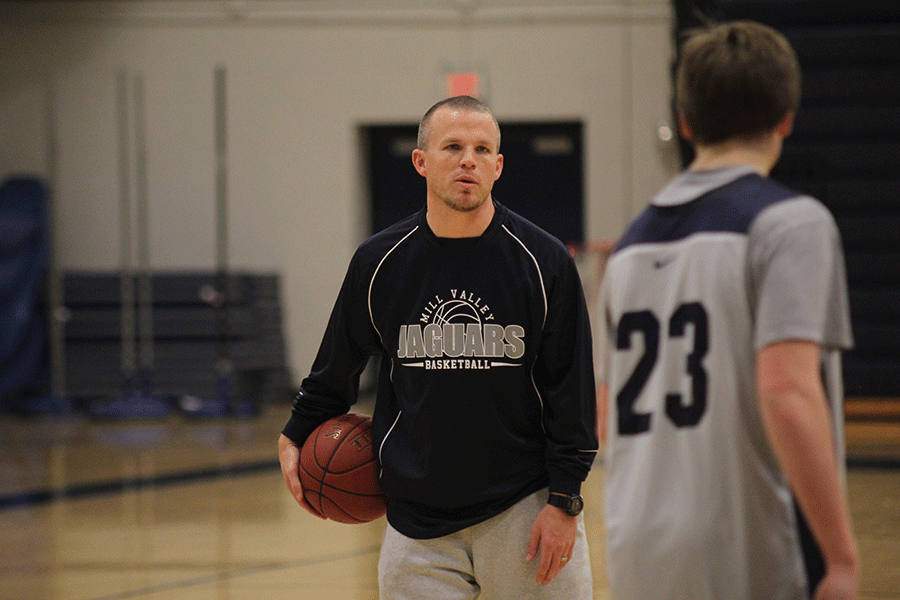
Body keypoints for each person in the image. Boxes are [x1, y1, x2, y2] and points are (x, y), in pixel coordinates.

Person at [279, 95, 598, 599]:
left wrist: (564, 501)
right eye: (452, 146)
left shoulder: (544, 262)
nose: (467, 159)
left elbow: (572, 392)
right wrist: (297, 430)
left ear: (498, 166)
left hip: (526, 508)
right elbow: (337, 366)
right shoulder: (379, 261)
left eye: (481, 149)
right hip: (416, 521)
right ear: (421, 161)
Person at [595, 20, 859, 600]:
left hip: (637, 546)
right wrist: (841, 557)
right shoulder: (791, 224)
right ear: (786, 116)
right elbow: (787, 391)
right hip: (749, 541)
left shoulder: (628, 250)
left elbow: (605, 415)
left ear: (686, 124)